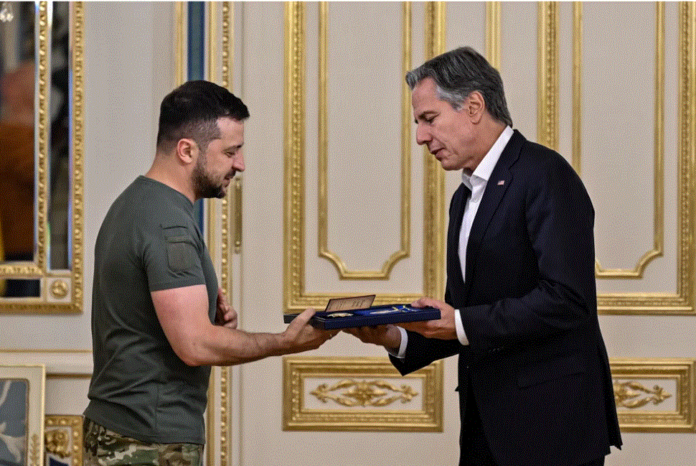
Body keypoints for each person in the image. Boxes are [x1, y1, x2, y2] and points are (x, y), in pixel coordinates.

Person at [345, 47, 622, 466]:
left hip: (551, 430)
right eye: (418, 123)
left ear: (474, 106)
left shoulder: (545, 174)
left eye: (429, 119)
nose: (420, 137)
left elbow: (567, 299)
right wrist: (394, 337)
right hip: (486, 430)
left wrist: (459, 322)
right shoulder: (464, 197)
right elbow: (464, 314)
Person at [83, 80, 337, 466]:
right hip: (148, 441)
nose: (240, 164)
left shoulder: (134, 203)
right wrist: (285, 342)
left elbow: (153, 325)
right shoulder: (168, 222)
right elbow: (194, 345)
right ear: (187, 150)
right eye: (230, 152)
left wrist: (213, 326)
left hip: (123, 431)